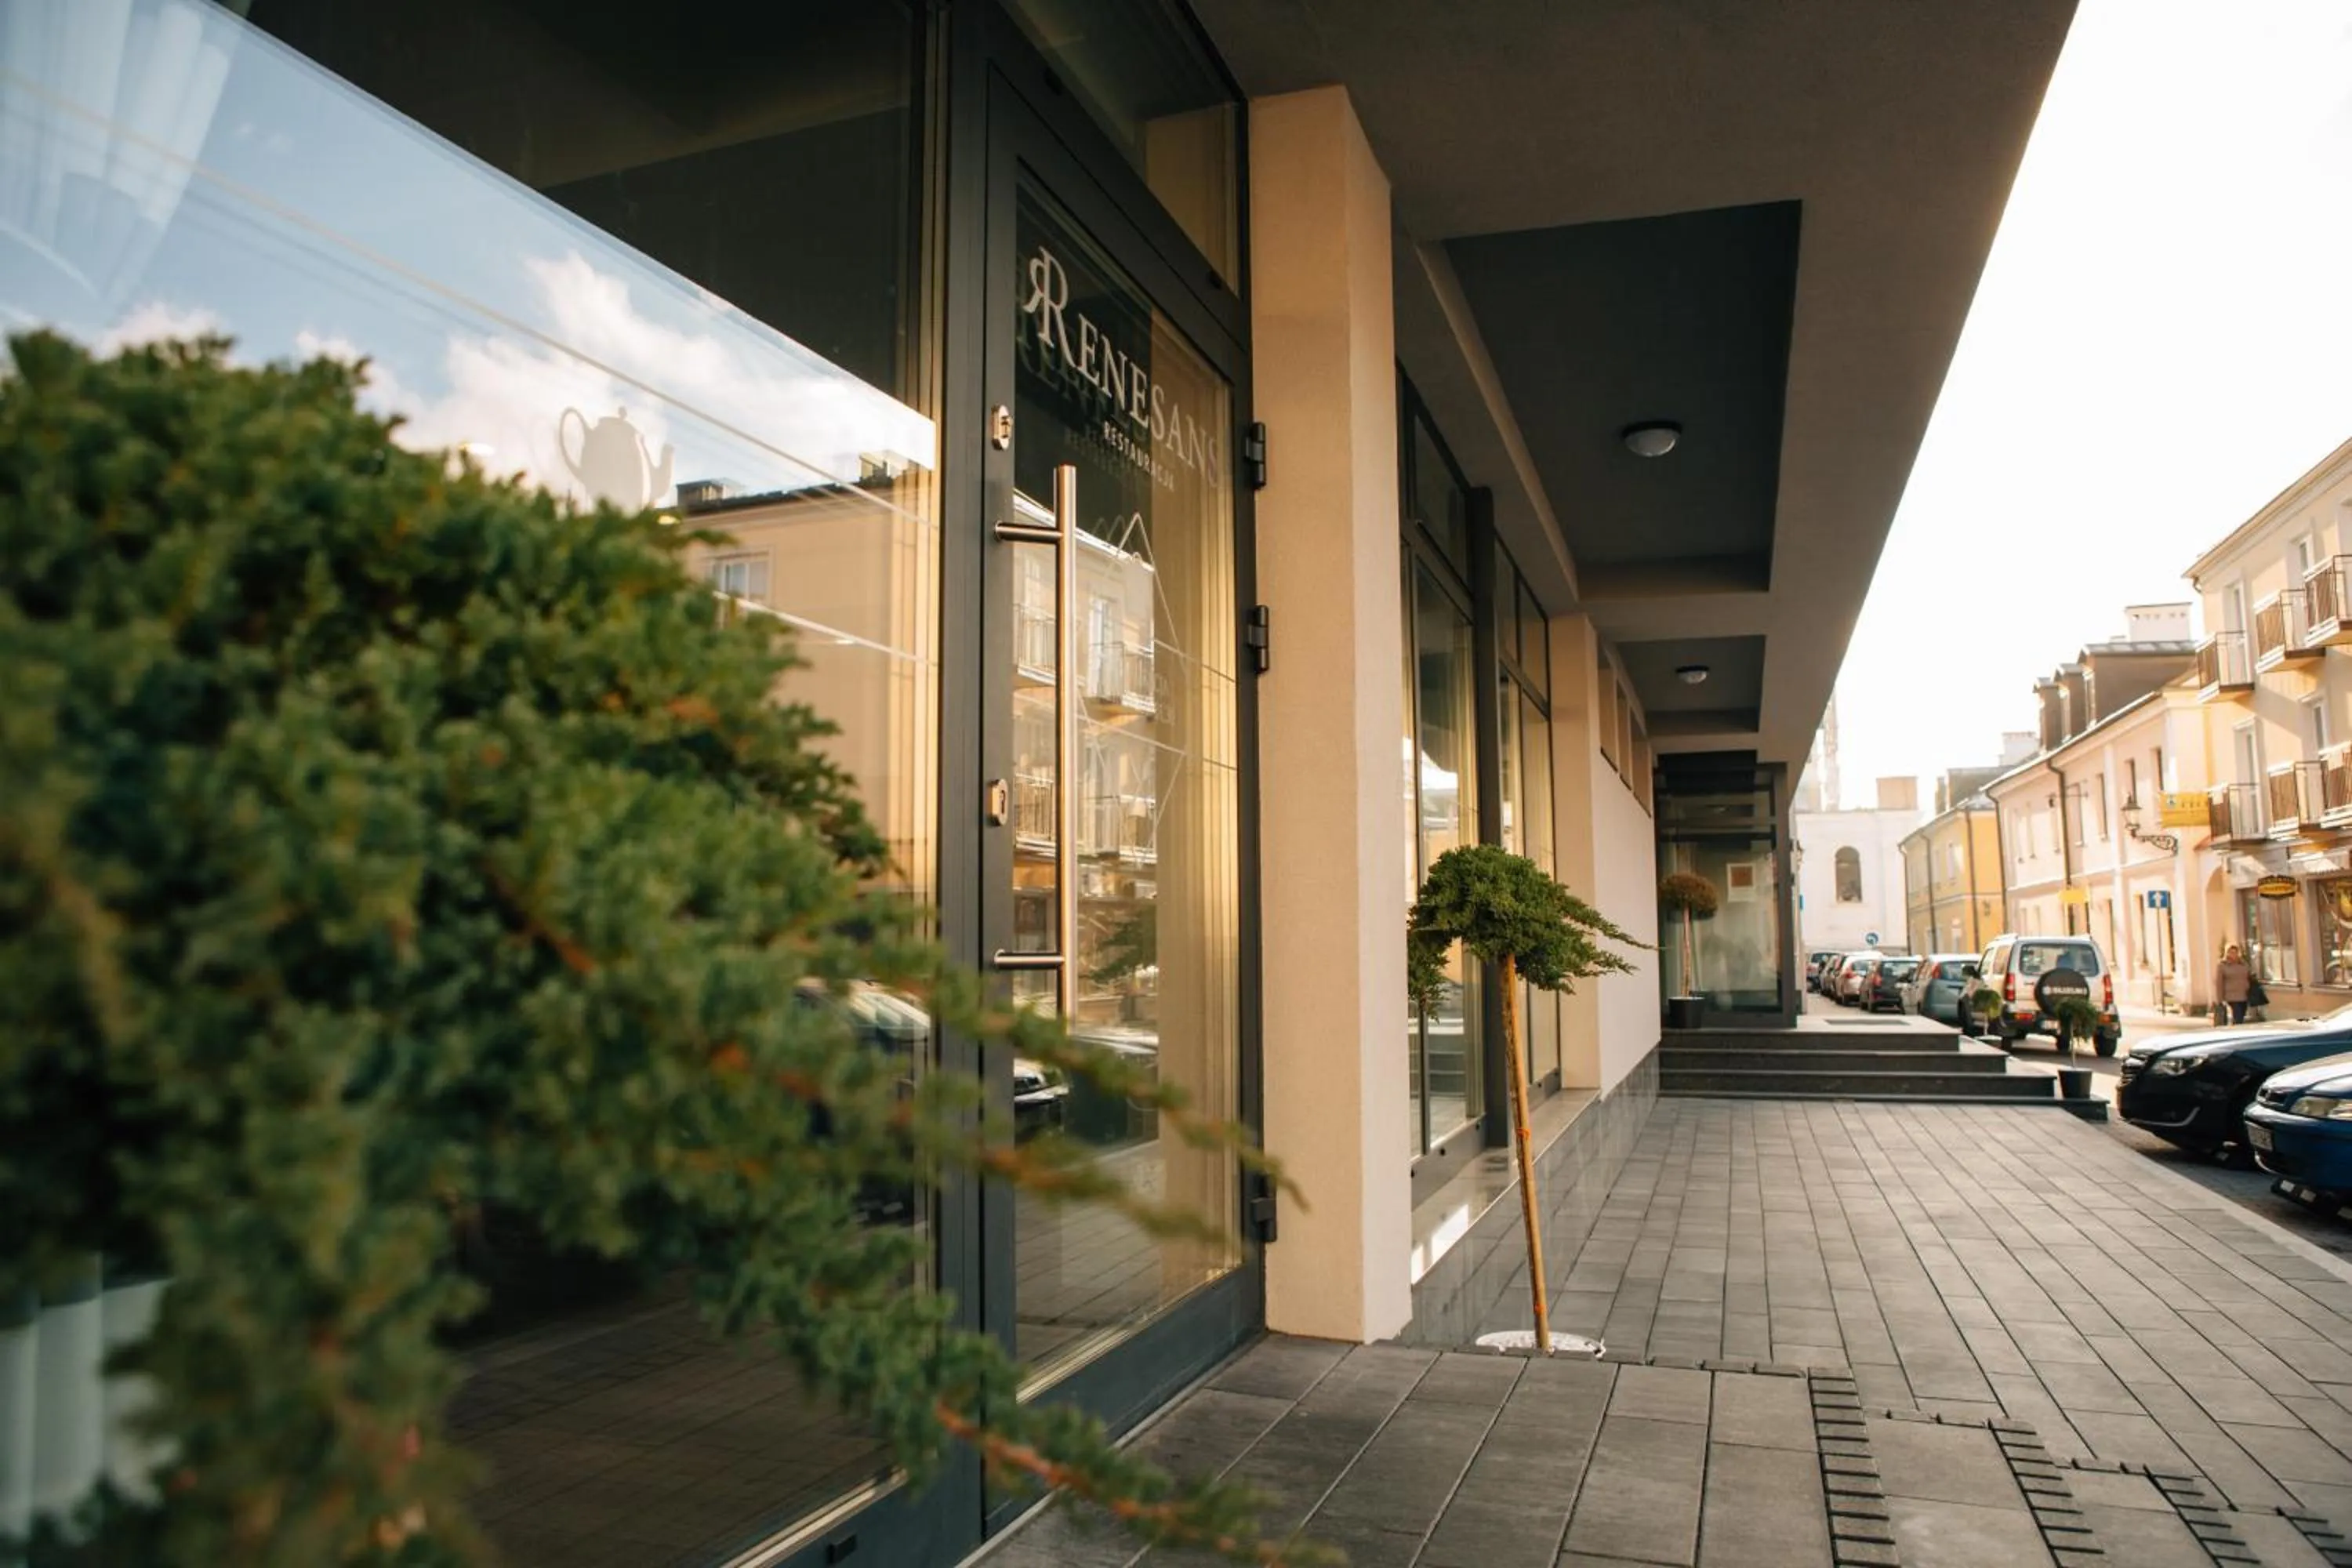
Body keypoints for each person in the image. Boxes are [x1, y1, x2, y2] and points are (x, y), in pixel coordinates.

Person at [2215, 942, 2253, 1025]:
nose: (2233, 954)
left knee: (2241, 1016)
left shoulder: (2243, 964)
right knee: (2237, 1016)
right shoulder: (2222, 965)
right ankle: (2237, 1029)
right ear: (2227, 953)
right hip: (2232, 996)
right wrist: (2219, 999)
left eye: (2235, 952)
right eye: (2231, 952)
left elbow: (2249, 976)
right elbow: (2219, 983)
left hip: (2244, 995)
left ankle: (2236, 1027)